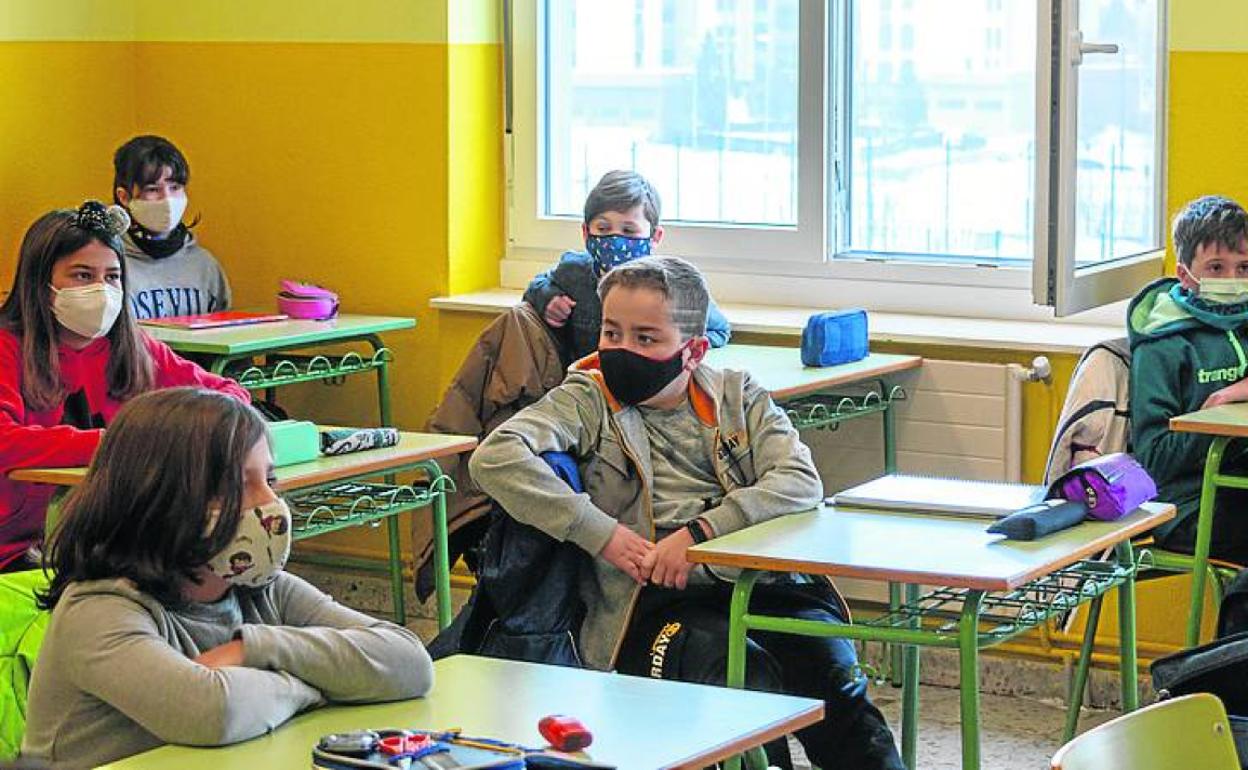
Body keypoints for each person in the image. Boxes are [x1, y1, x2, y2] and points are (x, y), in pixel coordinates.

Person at [471, 256, 903, 769]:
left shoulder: (739, 396)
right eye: (611, 333)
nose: (622, 350)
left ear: (693, 350)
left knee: (837, 686)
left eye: (646, 338)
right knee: (742, 686)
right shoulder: (587, 397)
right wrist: (602, 534)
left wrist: (700, 537)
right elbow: (496, 457)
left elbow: (799, 481)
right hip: (655, 604)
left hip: (766, 585)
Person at [21, 388, 433, 767]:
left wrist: (252, 649)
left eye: (269, 480)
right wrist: (315, 686)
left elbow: (409, 661)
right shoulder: (99, 608)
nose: (269, 504)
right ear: (155, 498)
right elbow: (213, 712)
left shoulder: (260, 592)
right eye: (237, 485)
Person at [0, 202, 251, 572]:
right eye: (82, 276)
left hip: (108, 537)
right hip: (18, 547)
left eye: (113, 276)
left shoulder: (133, 347)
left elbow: (229, 397)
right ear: (41, 282)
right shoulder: (9, 347)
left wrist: (177, 431)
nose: (101, 290)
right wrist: (115, 443)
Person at [1129, 195, 1248, 561]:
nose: (1232, 279)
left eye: (1244, 268)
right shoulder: (1163, 345)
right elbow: (1155, 459)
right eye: (1216, 267)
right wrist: (1212, 415)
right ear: (1185, 274)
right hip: (1186, 505)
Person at [523, 170, 731, 362]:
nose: (615, 240)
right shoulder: (573, 270)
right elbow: (538, 285)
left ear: (654, 237)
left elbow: (718, 330)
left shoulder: (670, 285)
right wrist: (548, 298)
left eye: (629, 231)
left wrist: (675, 353)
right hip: (579, 386)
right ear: (586, 233)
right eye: (603, 228)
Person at [113, 135, 230, 319]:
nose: (167, 199)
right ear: (124, 197)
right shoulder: (109, 265)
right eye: (152, 189)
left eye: (175, 187)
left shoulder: (205, 266)